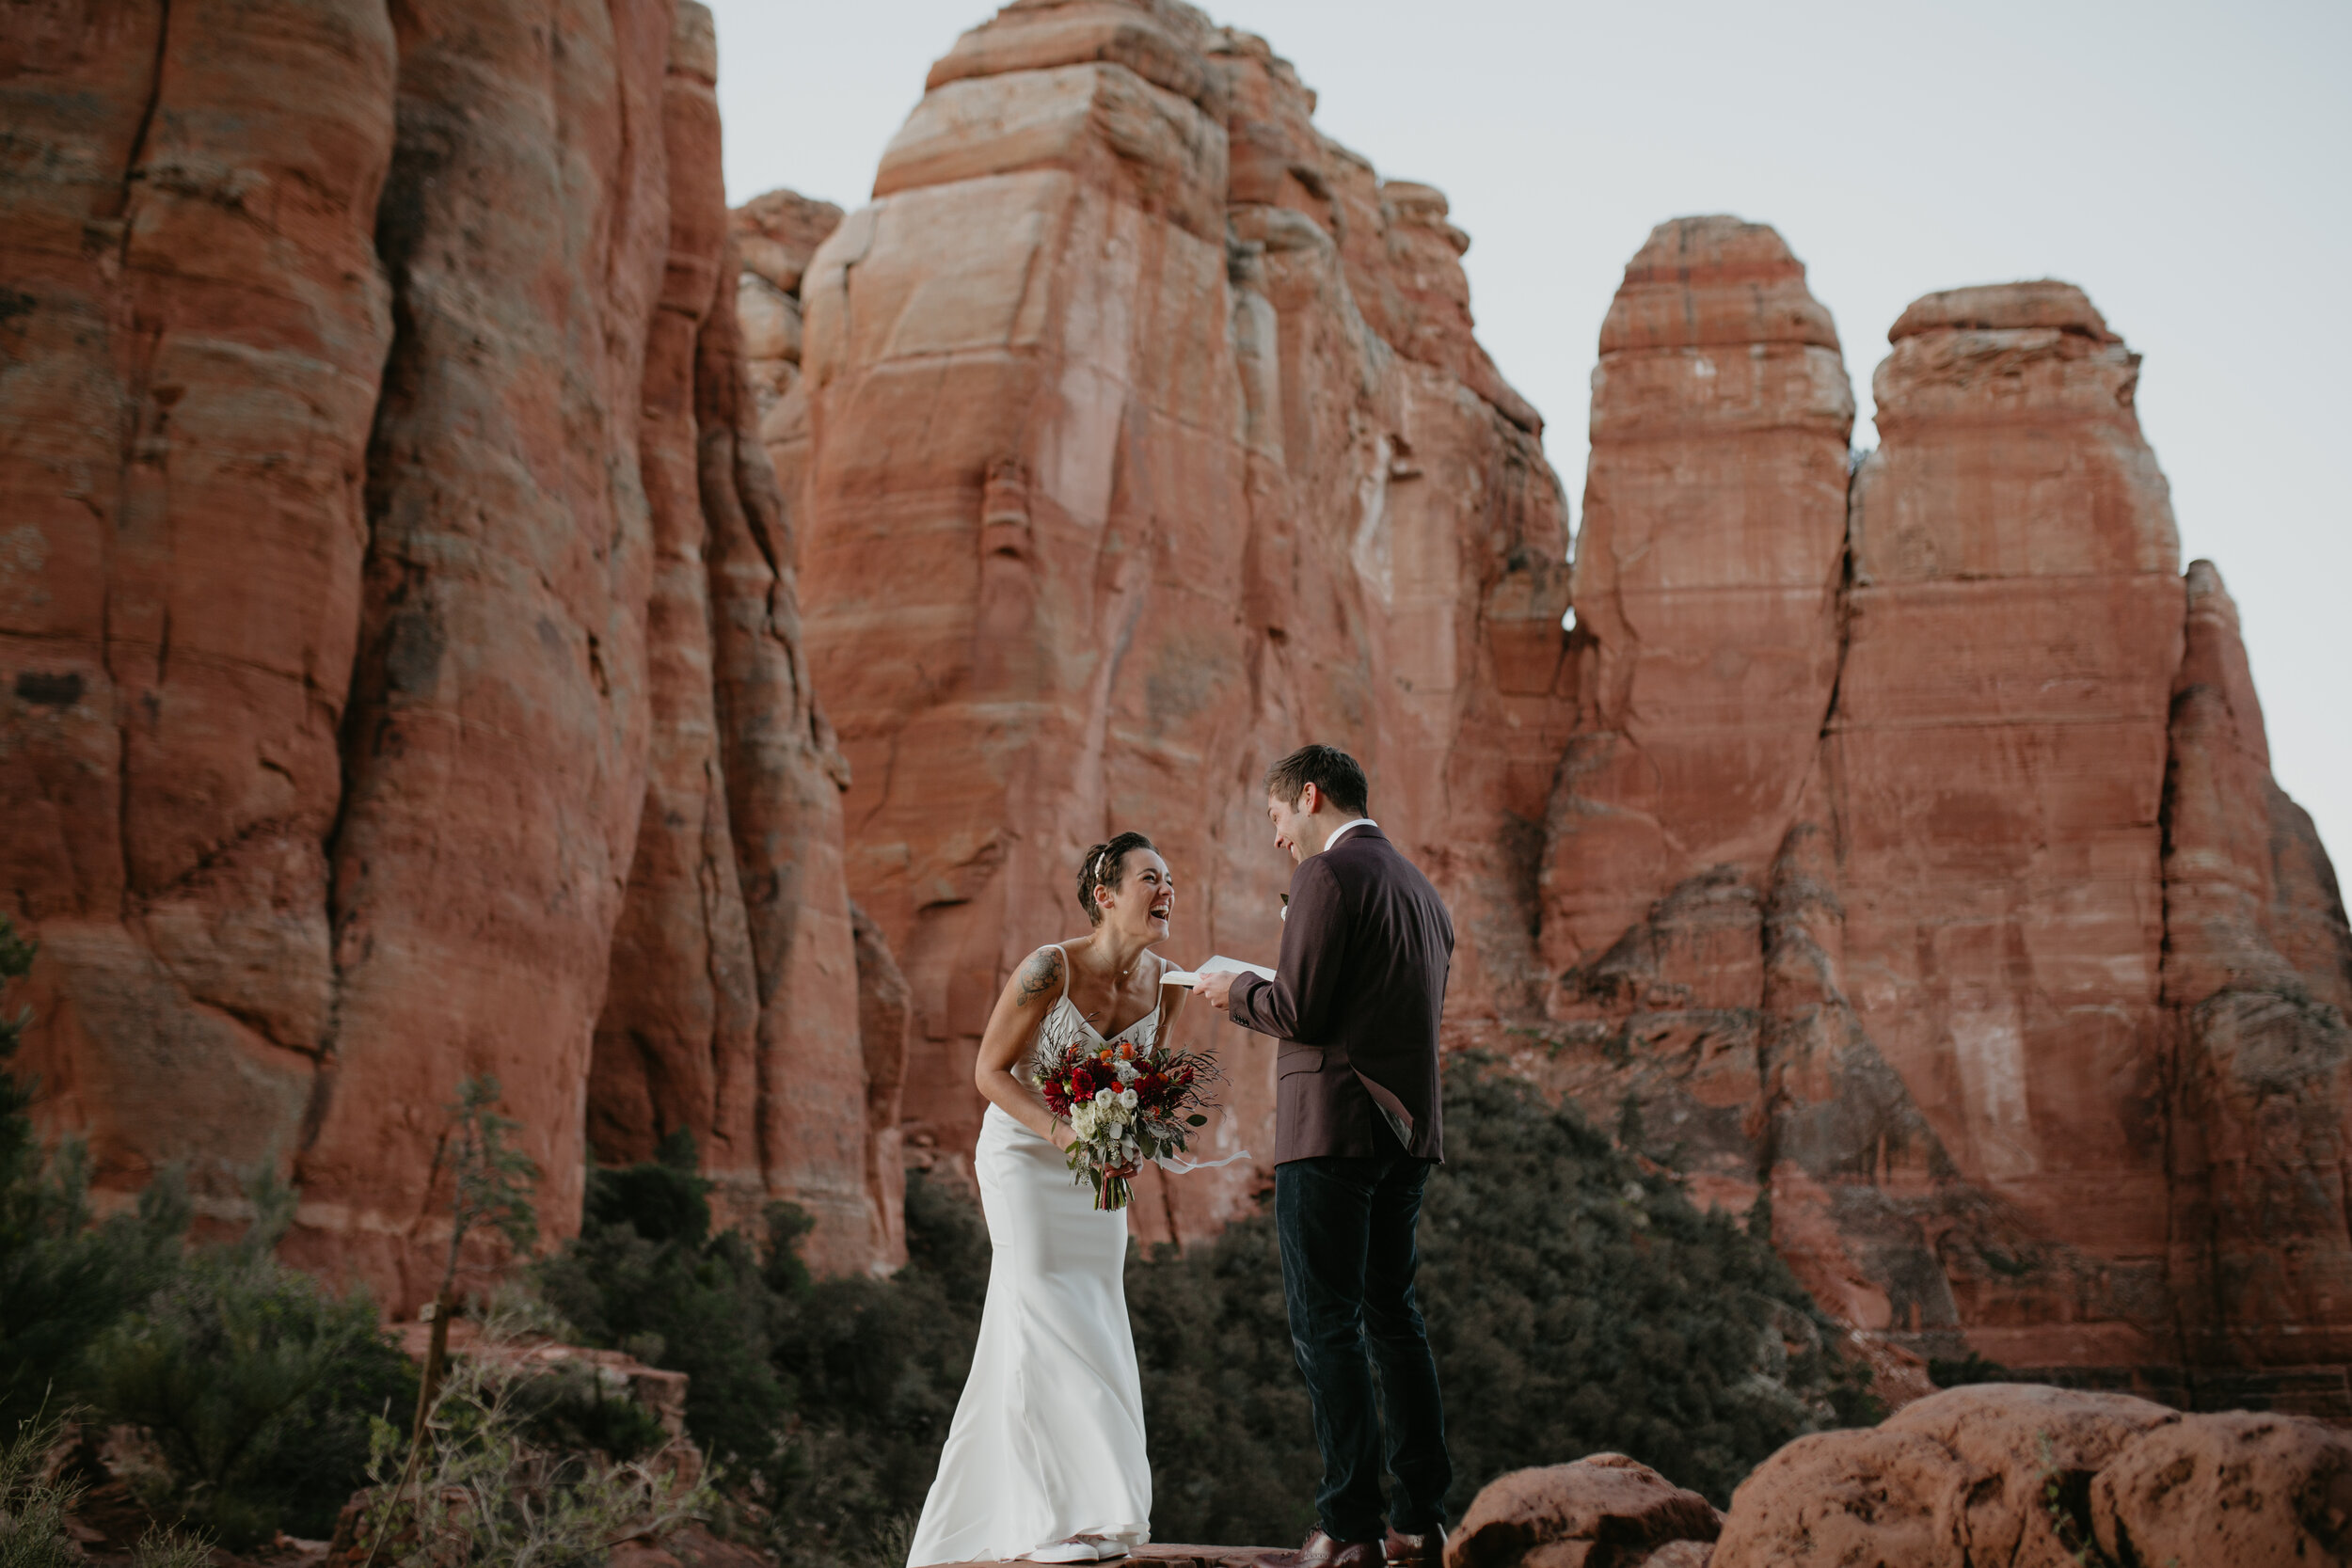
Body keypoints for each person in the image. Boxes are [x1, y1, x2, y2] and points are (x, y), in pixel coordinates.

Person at [1195, 745, 1454, 1568]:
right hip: (1406, 1133)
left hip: (1330, 1129)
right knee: (1395, 1319)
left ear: (1308, 797)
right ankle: (1418, 1518)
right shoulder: (1424, 892)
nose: (1279, 838)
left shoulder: (1325, 876)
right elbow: (1381, 1005)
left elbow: (1300, 1007)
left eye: (1277, 818)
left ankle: (1348, 1525)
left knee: (1326, 1324)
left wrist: (1229, 989)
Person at [906, 832, 1190, 1567]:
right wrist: (1066, 1135)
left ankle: (1097, 1508)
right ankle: (1057, 1518)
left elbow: (1148, 1085)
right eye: (1150, 879)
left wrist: (1124, 1144)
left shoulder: (1170, 984)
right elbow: (989, 1071)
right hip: (1025, 1155)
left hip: (1098, 1169)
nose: (1167, 891)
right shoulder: (1047, 968)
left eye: (1170, 881)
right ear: (1104, 894)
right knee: (1039, 1302)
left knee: (1095, 1308)